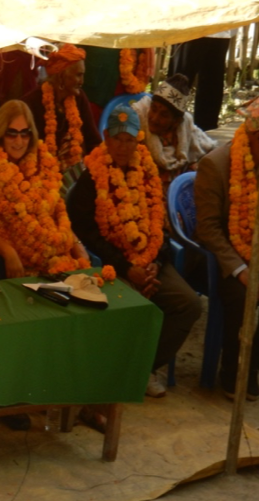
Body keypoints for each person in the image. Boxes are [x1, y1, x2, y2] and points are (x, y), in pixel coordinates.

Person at [68, 105, 201, 398]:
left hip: (150, 262)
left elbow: (161, 229)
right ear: (106, 137)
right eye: (118, 139)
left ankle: (142, 367)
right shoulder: (91, 180)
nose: (124, 147)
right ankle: (115, 371)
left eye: (131, 140)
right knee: (129, 307)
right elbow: (87, 236)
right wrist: (128, 269)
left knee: (190, 304)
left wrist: (154, 262)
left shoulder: (147, 172)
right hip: (111, 267)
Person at [0, 100, 90, 279]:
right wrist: (8, 251)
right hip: (16, 254)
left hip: (55, 248)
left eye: (24, 134)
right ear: (0, 133)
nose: (19, 141)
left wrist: (77, 244)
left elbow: (56, 213)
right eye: (12, 133)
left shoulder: (44, 161)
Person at [195, 97, 259, 399]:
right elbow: (207, 229)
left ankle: (253, 368)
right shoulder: (216, 165)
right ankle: (232, 374)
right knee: (242, 294)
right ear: (251, 135)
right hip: (224, 259)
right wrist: (240, 268)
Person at [22, 44, 101, 183]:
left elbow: (93, 141)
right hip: (42, 180)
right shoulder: (32, 102)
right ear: (62, 76)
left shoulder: (79, 98)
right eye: (78, 75)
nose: (82, 81)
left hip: (77, 176)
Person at [133, 74, 218, 195]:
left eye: (164, 115)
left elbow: (210, 150)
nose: (154, 118)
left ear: (176, 122)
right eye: (154, 109)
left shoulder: (186, 129)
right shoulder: (138, 120)